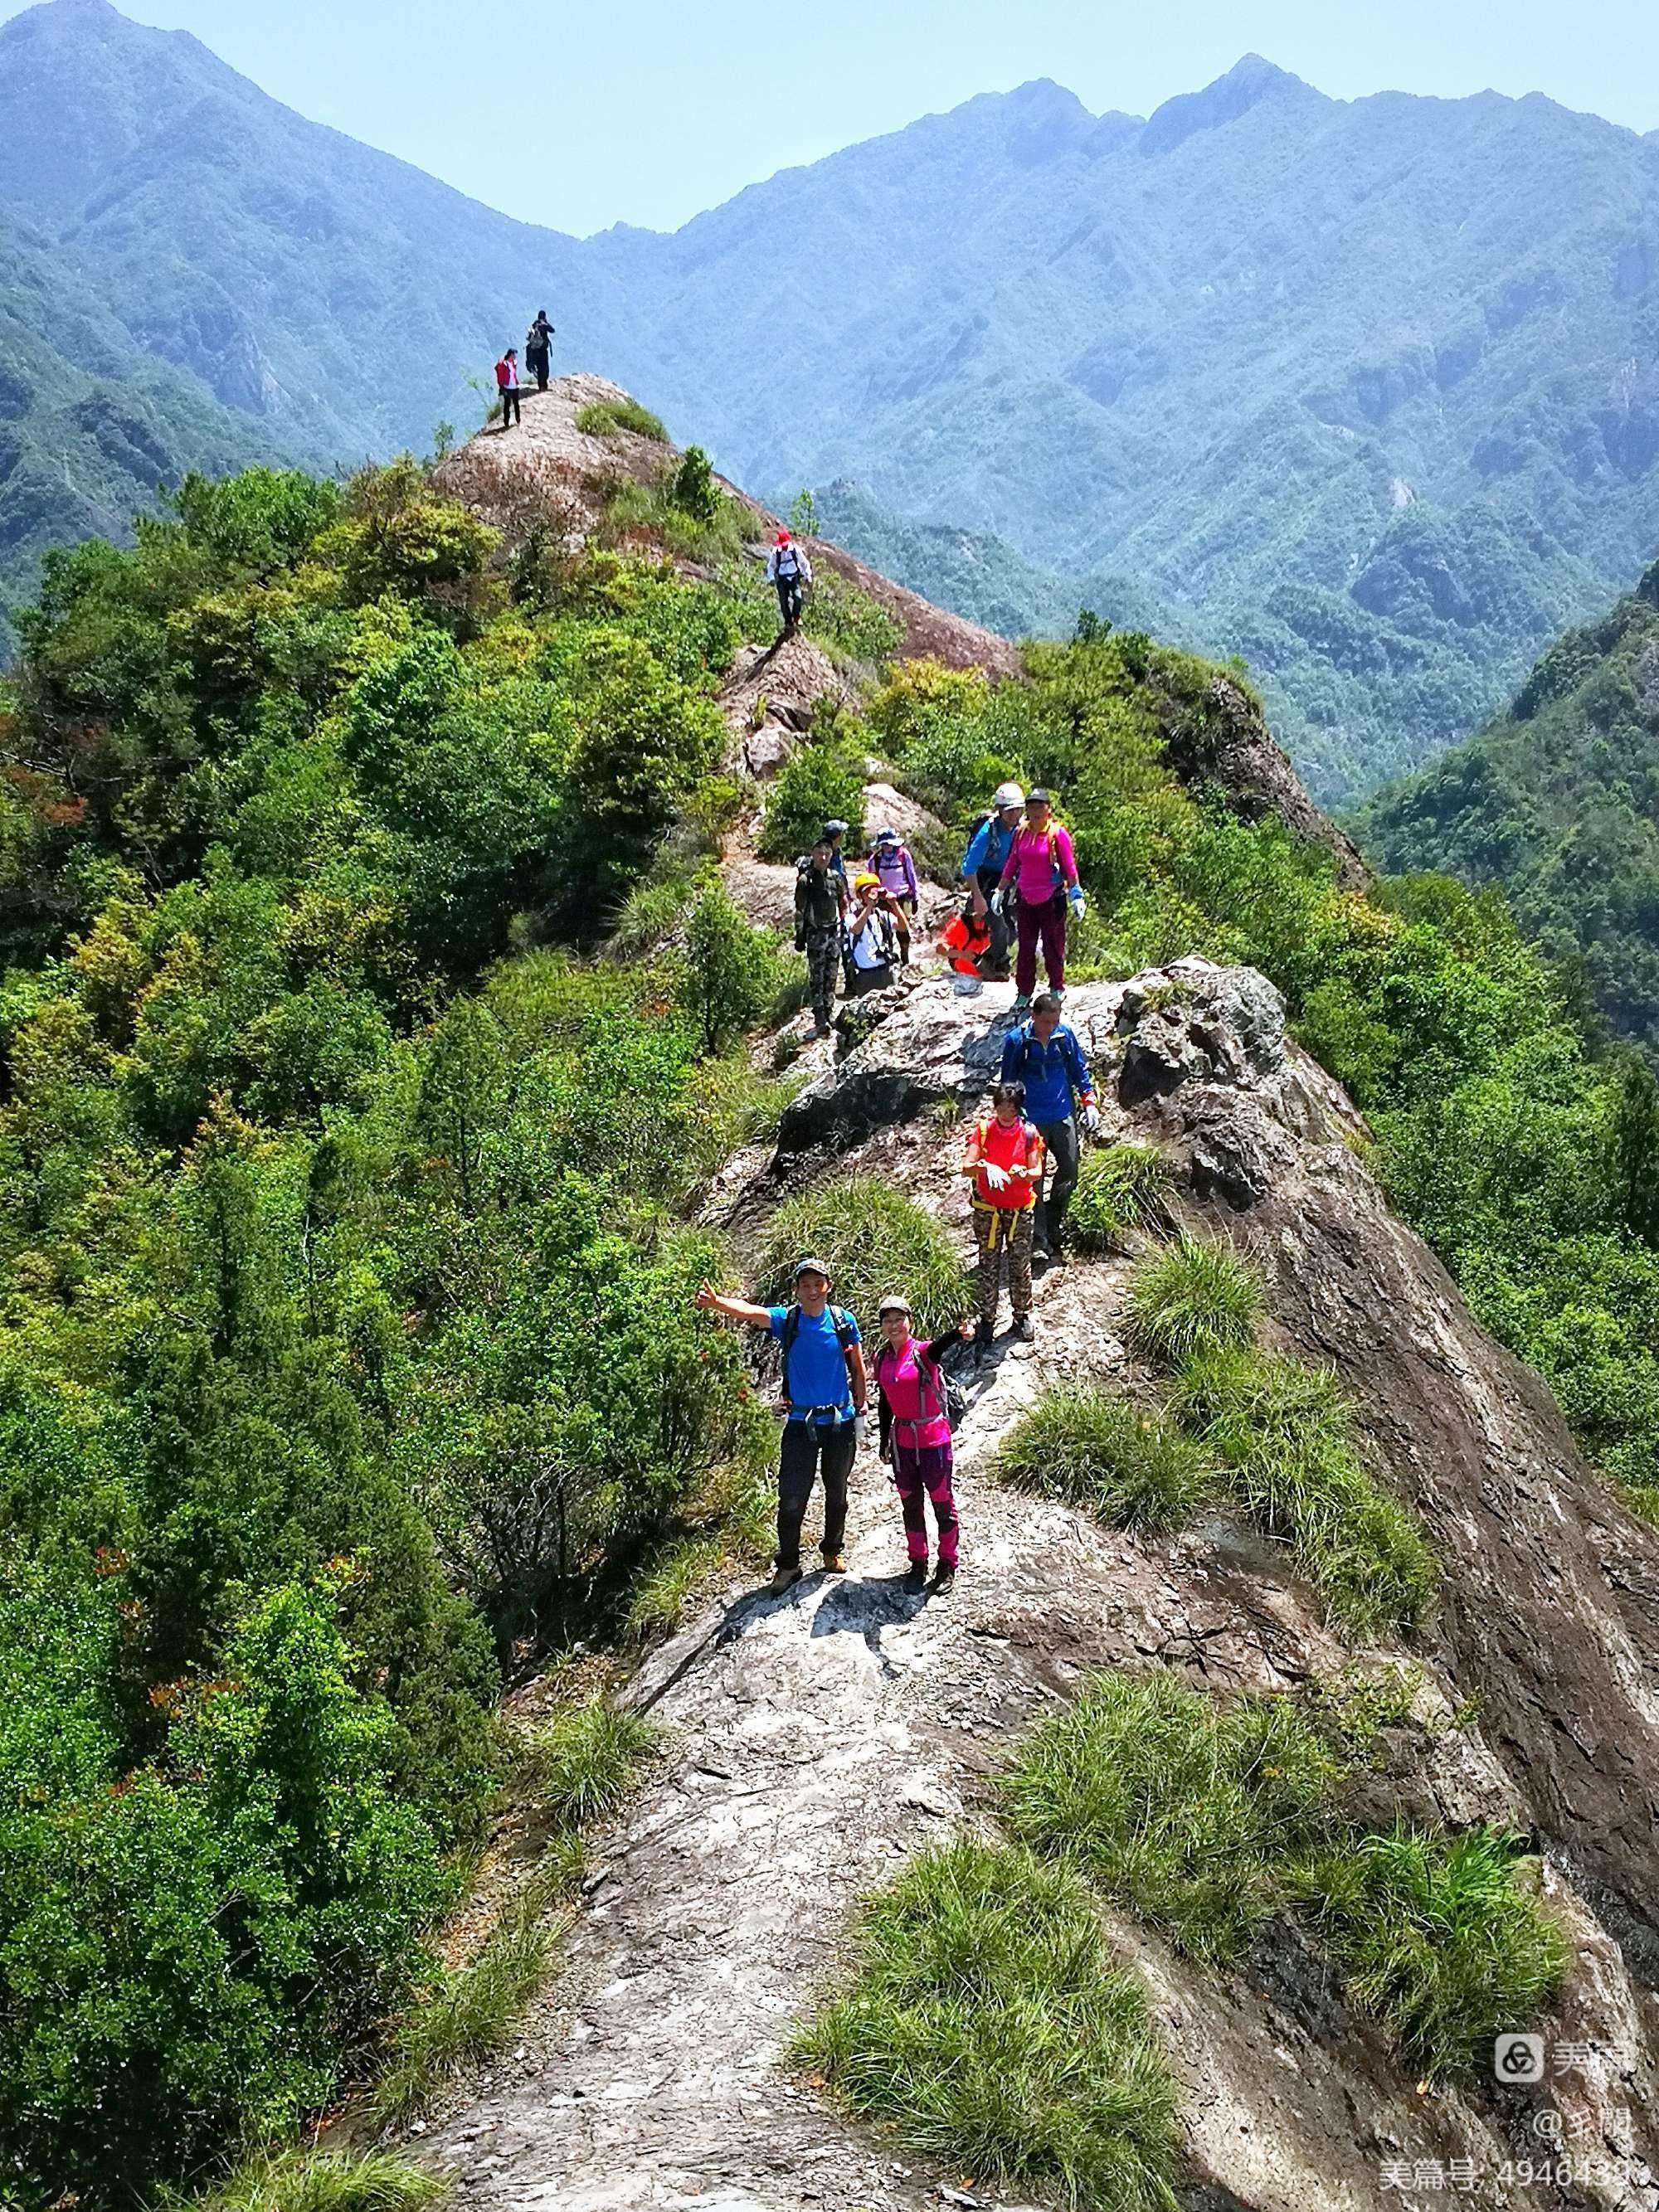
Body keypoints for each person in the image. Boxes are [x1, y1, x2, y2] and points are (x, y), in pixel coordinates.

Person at [694, 1260, 867, 1596]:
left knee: (838, 1494)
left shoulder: (843, 1321)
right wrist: (718, 1304)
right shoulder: (787, 1320)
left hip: (839, 1422)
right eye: (806, 1285)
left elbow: (857, 1367)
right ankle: (788, 1565)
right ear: (797, 1290)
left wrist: (860, 1406)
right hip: (800, 1424)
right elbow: (749, 1311)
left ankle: (832, 1550)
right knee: (791, 1498)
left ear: (828, 1286)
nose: (813, 1290)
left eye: (818, 1283)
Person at [873, 1296, 974, 1593]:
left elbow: (939, 1347)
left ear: (909, 1322)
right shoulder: (882, 1359)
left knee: (942, 1503)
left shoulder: (922, 1353)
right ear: (882, 1326)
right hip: (903, 1442)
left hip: (934, 1440)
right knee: (911, 1506)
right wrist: (883, 1441)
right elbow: (885, 1402)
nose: (894, 1325)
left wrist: (958, 1333)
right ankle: (918, 1562)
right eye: (888, 1320)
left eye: (899, 1319)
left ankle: (948, 1563)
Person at [1000, 990, 1099, 1266]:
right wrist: (1011, 1119)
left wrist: (1088, 1101)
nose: (1050, 1027)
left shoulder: (1064, 1036)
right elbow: (1008, 1082)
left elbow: (1079, 1069)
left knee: (1069, 1169)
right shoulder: (1017, 1041)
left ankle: (1056, 1222)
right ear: (1034, 1017)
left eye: (1055, 1021)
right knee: (1035, 1179)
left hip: (1062, 1113)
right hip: (1031, 1120)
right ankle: (1039, 1239)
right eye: (1046, 1022)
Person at [962, 1081, 1045, 1352]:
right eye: (1001, 1106)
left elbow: (1037, 1171)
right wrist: (986, 1166)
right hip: (988, 1210)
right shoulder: (984, 1131)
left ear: (1018, 1107)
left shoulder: (1029, 1134)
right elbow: (967, 1167)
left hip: (1020, 1209)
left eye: (1010, 1107)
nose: (1005, 1113)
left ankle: (1021, 1316)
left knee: (1020, 1263)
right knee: (988, 1261)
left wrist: (1023, 1173)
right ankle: (987, 1319)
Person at [997, 788, 1085, 1011]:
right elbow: (1012, 863)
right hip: (1025, 898)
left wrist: (1076, 894)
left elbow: (1069, 866)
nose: (1036, 811)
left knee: (1052, 945)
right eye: (1032, 806)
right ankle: (1024, 992)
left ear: (1049, 809)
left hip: (1052, 899)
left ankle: (1057, 987)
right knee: (1025, 947)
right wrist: (1000, 890)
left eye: (1040, 806)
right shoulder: (1021, 833)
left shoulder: (1057, 834)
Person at [961, 783, 1024, 980]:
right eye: (1010, 811)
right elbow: (969, 867)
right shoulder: (989, 832)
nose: (1014, 815)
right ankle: (996, 967)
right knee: (999, 926)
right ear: (1000, 811)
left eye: (1018, 810)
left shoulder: (1021, 829)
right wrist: (978, 898)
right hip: (986, 881)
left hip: (1007, 880)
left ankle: (990, 963)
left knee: (1012, 929)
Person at [795, 837, 849, 1036]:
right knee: (816, 977)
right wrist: (800, 936)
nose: (823, 857)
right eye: (819, 853)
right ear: (813, 854)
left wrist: (845, 922)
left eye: (827, 853)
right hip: (815, 934)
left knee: (832, 974)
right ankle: (819, 1017)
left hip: (833, 932)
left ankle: (829, 1011)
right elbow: (800, 910)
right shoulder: (805, 880)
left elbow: (843, 902)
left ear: (831, 856)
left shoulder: (836, 877)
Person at [866, 826, 917, 963]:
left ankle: (904, 955)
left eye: (889, 843)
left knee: (903, 929)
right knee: (884, 928)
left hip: (902, 897)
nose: (887, 846)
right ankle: (887, 956)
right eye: (884, 844)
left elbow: (911, 875)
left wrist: (915, 897)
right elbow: (871, 880)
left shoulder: (903, 855)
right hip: (883, 900)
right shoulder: (875, 860)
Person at [848, 873, 899, 992]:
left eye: (875, 891)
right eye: (867, 892)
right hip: (865, 976)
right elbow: (856, 929)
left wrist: (894, 904)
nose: (872, 895)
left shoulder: (883, 915)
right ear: (860, 895)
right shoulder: (851, 918)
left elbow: (903, 928)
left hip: (887, 970)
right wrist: (869, 906)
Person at [766, 529, 813, 632]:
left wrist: (808, 576)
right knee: (783, 601)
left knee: (798, 597)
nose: (784, 547)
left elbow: (804, 563)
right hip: (782, 579)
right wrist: (771, 578)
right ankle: (788, 622)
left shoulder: (795, 550)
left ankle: (796, 616)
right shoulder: (776, 552)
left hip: (794, 578)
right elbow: (771, 566)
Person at [525, 309, 555, 392]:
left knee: (539, 368)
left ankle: (540, 387)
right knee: (544, 368)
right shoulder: (544, 324)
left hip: (534, 350)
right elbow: (552, 330)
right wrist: (546, 323)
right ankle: (544, 387)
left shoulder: (534, 324)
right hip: (542, 351)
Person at [494, 346, 522, 430]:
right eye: (514, 355)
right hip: (507, 387)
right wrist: (502, 386)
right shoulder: (504, 364)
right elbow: (501, 376)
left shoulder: (514, 363)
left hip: (514, 387)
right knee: (507, 405)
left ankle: (518, 420)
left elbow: (513, 375)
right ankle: (506, 422)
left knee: (516, 404)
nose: (515, 356)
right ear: (510, 355)